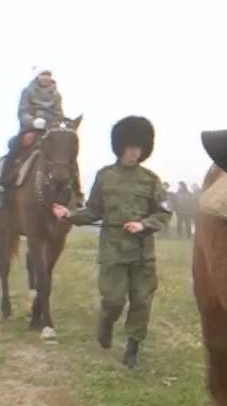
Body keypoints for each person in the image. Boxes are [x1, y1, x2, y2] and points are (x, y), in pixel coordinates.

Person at [53, 116, 170, 370]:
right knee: (114, 300)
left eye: (138, 148)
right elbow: (94, 211)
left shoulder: (150, 180)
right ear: (120, 148)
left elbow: (163, 213)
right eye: (129, 148)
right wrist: (70, 215)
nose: (134, 153)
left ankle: (132, 349)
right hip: (113, 252)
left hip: (141, 254)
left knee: (141, 301)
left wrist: (144, 225)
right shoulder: (105, 177)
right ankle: (106, 322)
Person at [0, 68, 69, 211]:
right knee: (14, 147)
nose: (45, 78)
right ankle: (2, 187)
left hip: (50, 129)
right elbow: (22, 111)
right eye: (43, 75)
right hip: (30, 128)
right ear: (38, 76)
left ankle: (75, 192)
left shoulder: (57, 95)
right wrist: (32, 122)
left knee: (64, 152)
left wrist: (53, 123)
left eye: (48, 75)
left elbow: (59, 113)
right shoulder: (28, 91)